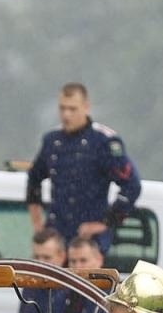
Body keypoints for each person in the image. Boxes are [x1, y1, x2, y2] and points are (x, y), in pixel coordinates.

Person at [25, 82, 142, 252]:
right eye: (62, 108)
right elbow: (34, 178)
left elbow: (132, 185)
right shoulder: (52, 141)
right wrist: (37, 223)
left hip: (90, 238)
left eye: (72, 109)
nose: (66, 115)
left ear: (86, 107)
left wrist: (106, 223)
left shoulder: (103, 141)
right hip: (58, 235)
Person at [16, 228, 65, 313]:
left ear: (61, 256)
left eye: (46, 257)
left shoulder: (72, 292)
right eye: (36, 257)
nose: (40, 263)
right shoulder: (29, 287)